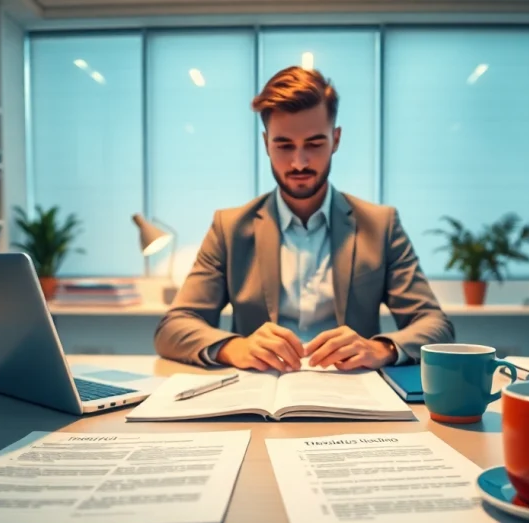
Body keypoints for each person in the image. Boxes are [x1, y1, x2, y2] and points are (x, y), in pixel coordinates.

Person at [154, 66, 454, 372]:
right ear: (266, 143)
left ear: (336, 139)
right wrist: (235, 347)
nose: (299, 163)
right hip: (259, 397)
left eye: (314, 144)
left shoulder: (381, 225)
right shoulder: (229, 228)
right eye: (284, 146)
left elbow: (435, 325)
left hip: (354, 394)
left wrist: (381, 348)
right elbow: (173, 328)